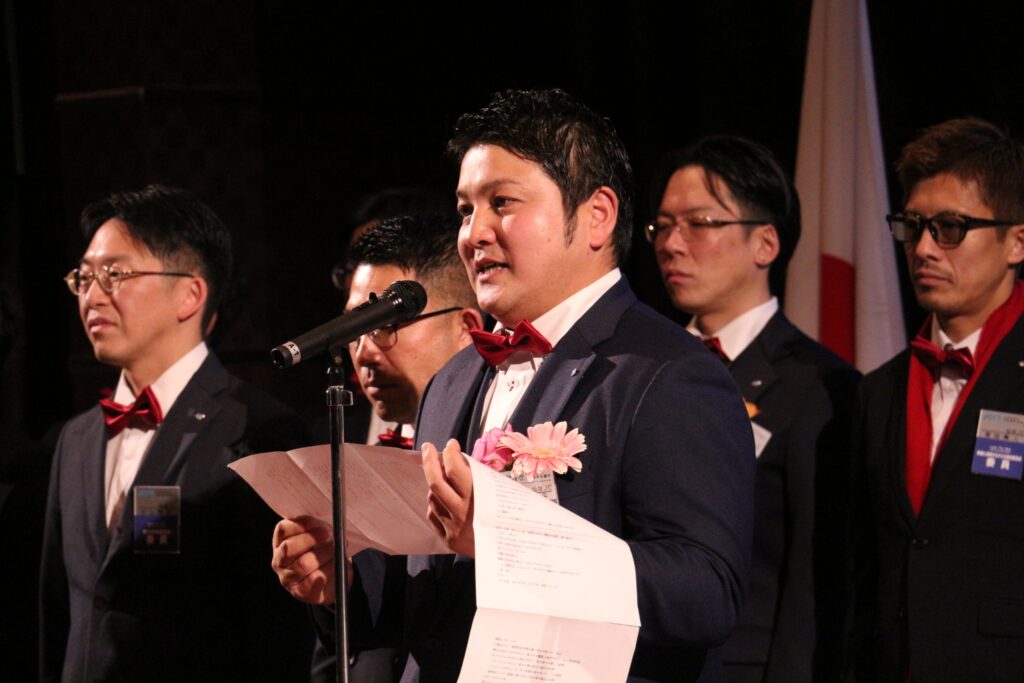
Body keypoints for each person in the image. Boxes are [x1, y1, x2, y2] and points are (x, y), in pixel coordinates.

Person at [273, 88, 756, 682]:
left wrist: (514, 543)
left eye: (501, 202)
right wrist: (341, 579)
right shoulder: (452, 380)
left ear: (597, 216)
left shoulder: (668, 373)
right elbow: (433, 596)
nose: (473, 233)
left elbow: (705, 593)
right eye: (464, 209)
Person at [40, 185, 314, 682]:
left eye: (114, 274)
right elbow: (59, 613)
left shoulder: (259, 429)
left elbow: (276, 629)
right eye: (84, 277)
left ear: (190, 294)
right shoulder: (76, 438)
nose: (92, 295)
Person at [648, 135, 860, 682]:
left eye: (699, 224)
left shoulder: (820, 385)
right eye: (663, 226)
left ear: (765, 243)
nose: (672, 244)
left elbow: (814, 579)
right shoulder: (641, 366)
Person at [849, 118, 1024, 681]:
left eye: (951, 227)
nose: (923, 248)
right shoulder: (878, 390)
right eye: (913, 226)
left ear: (1016, 241)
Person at [310, 214, 483, 682]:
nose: (364, 351)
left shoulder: (502, 446)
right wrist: (333, 582)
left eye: (386, 324)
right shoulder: (343, 442)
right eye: (355, 326)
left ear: (467, 327)